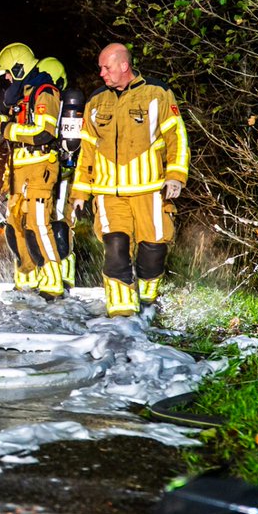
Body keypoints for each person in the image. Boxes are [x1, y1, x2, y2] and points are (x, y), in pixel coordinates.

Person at [70, 43, 189, 316]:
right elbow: (87, 150)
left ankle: (147, 302)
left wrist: (176, 176)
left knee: (153, 249)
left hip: (151, 191)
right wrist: (80, 193)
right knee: (115, 247)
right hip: (108, 194)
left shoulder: (157, 94)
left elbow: (177, 137)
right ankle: (122, 315)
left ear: (124, 65)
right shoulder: (96, 101)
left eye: (106, 67)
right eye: (100, 68)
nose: (101, 73)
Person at [0, 42, 65, 300]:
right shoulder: (23, 95)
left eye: (8, 72)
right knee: (15, 226)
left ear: (19, 67)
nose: (6, 77)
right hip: (19, 169)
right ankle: (27, 279)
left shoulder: (45, 92)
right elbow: (16, 125)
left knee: (38, 224)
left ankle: (52, 282)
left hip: (39, 167)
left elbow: (43, 132)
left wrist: (6, 130)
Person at [33, 55, 78, 290]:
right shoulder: (65, 103)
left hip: (53, 169)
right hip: (64, 170)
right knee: (60, 219)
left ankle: (58, 274)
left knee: (55, 220)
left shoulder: (47, 100)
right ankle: (64, 273)